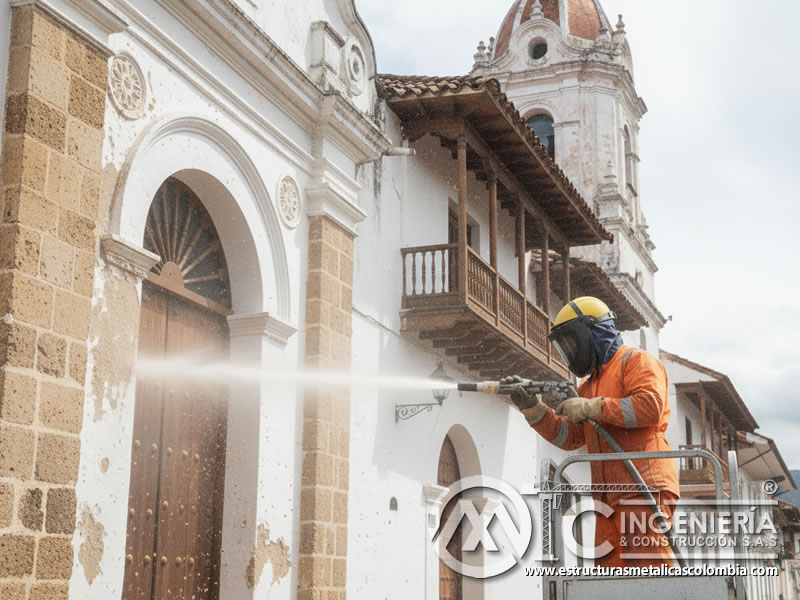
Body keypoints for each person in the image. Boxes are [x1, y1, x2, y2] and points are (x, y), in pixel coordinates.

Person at [503, 296, 679, 568]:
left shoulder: (636, 361)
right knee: (608, 582)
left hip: (644, 487)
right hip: (607, 497)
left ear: (591, 332)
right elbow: (571, 437)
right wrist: (533, 410)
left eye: (571, 342)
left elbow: (650, 407)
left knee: (650, 576)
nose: (570, 352)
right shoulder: (587, 387)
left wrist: (594, 407)